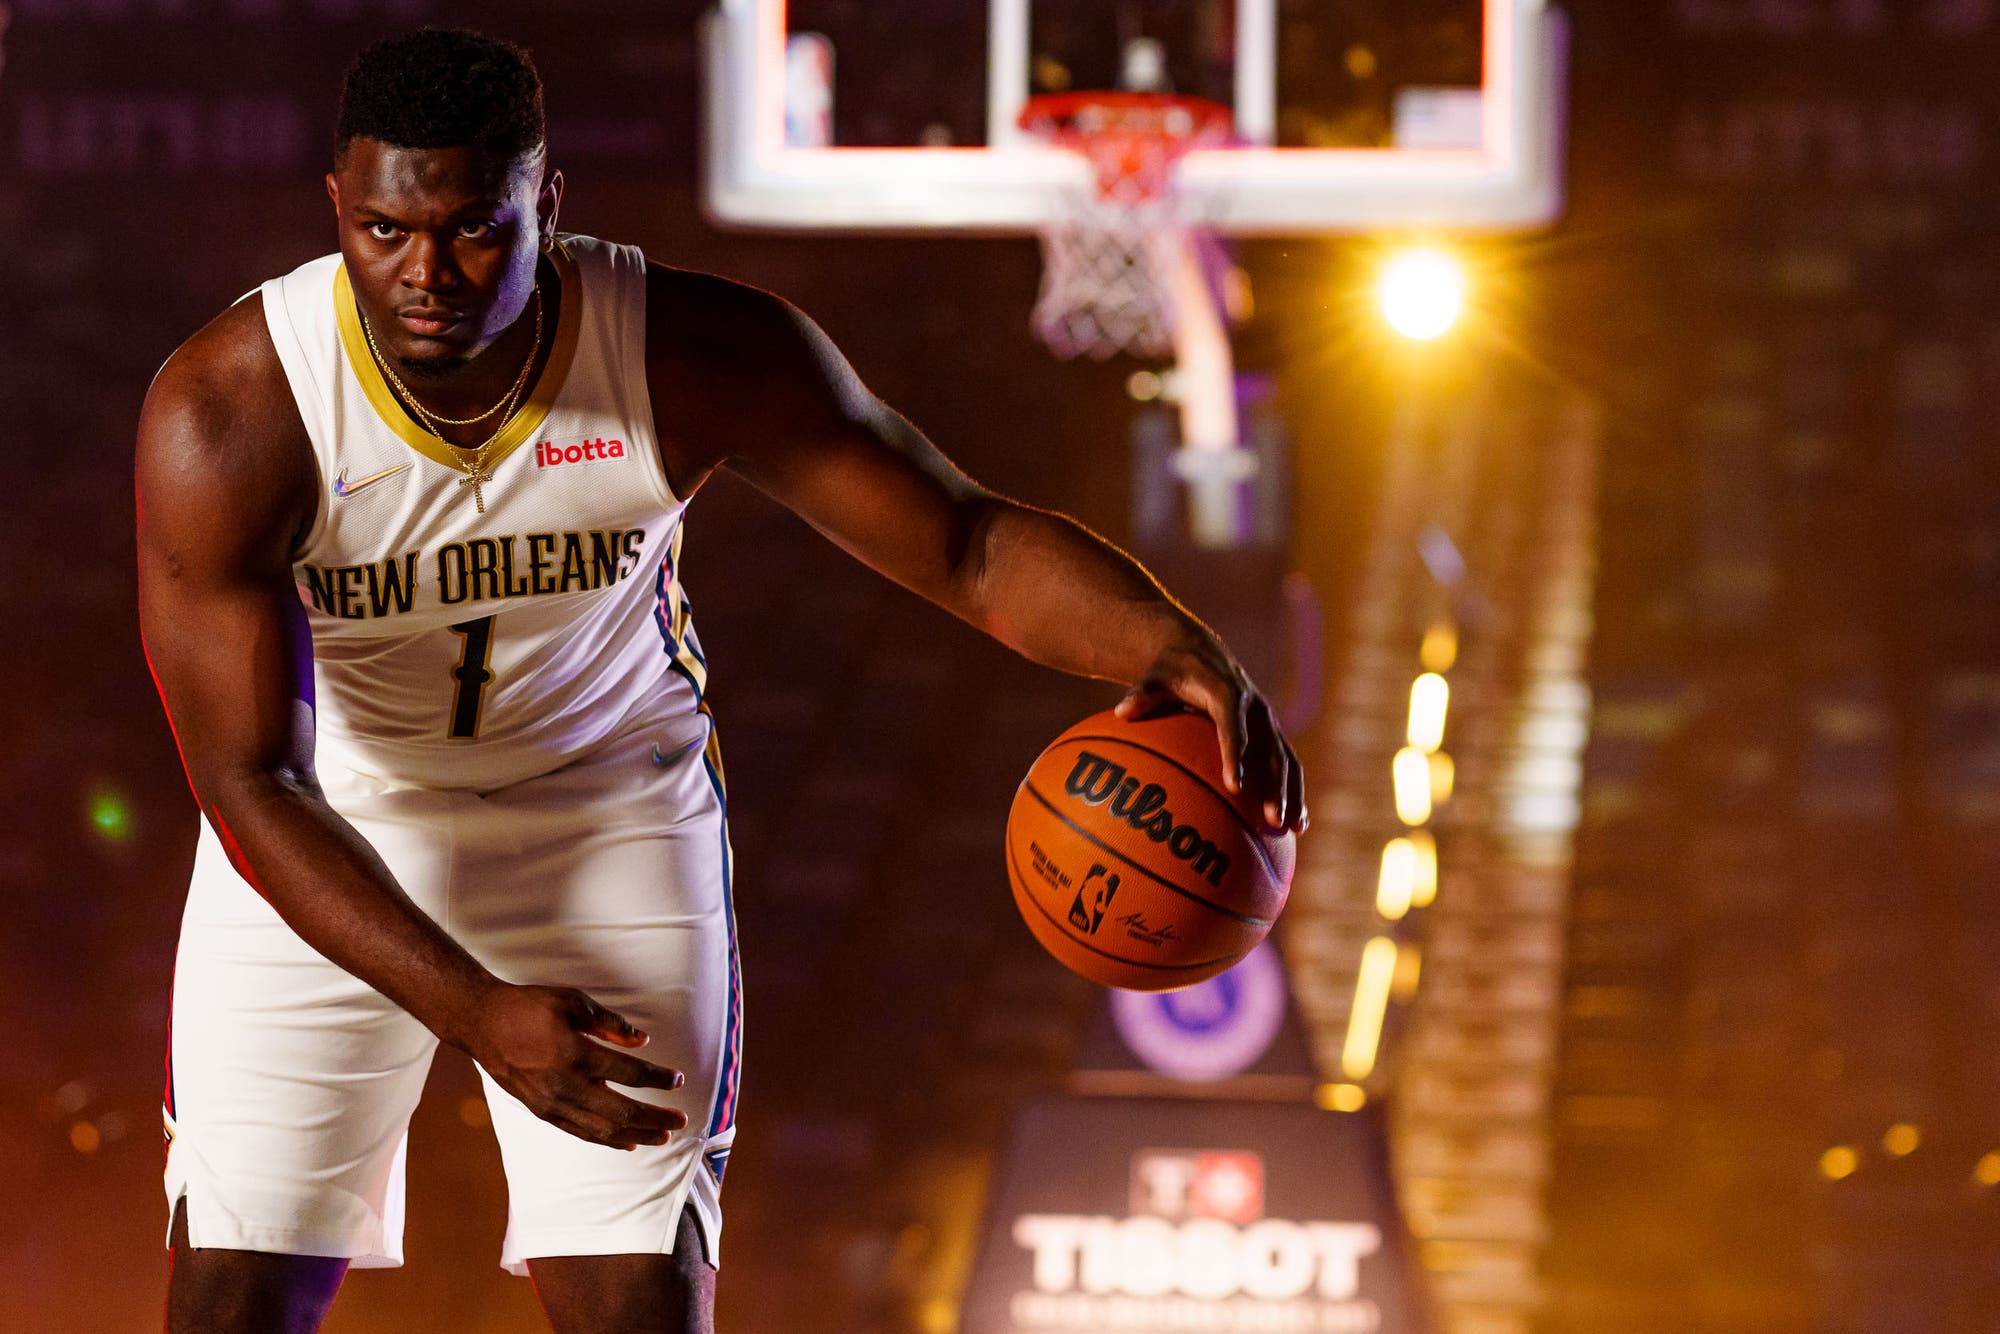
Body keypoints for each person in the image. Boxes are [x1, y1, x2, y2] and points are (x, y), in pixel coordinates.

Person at [136, 27, 1306, 1334]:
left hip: (604, 816)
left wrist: (1166, 638)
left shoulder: (682, 349)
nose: (428, 275)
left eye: (474, 229)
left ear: (548, 204)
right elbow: (247, 779)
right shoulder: (234, 408)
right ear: (339, 211)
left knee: (639, 1303)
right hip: (331, 827)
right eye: (389, 232)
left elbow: (968, 545)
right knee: (230, 1297)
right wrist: (471, 1008)